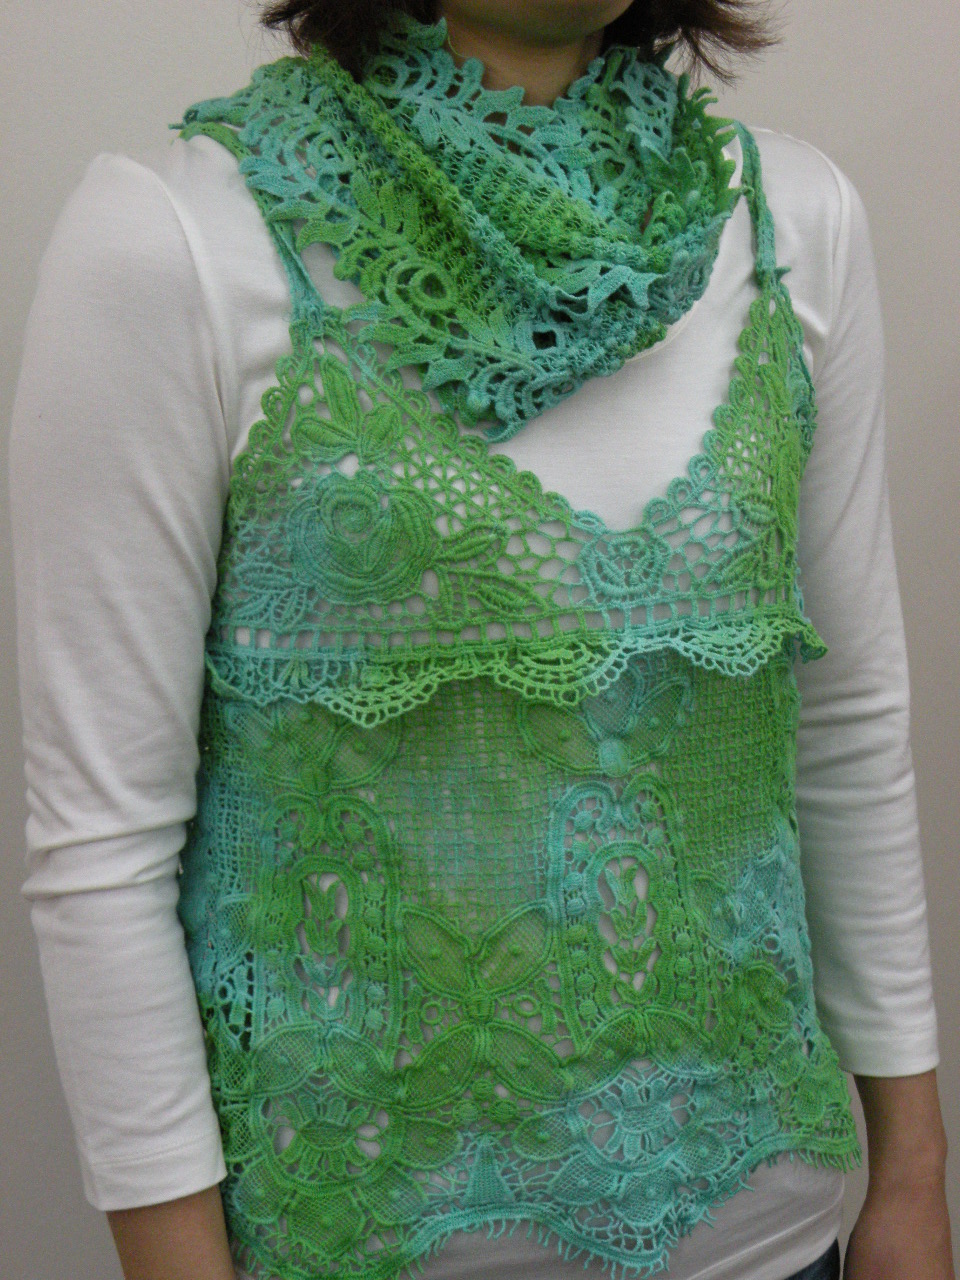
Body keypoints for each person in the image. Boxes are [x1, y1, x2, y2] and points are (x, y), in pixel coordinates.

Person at [8, 2, 955, 1278]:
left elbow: (845, 725)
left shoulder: (793, 223)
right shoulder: (171, 239)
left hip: (775, 1238)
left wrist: (912, 1171)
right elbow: (104, 846)